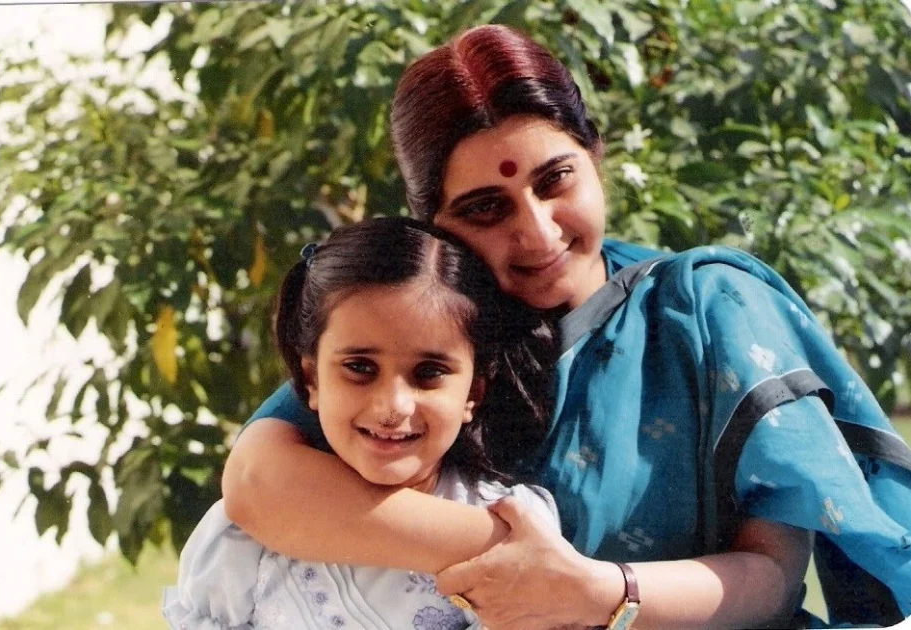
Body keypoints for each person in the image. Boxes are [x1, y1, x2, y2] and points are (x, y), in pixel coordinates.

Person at [221, 25, 911, 630]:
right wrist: (508, 547)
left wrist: (594, 590)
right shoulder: (425, 330)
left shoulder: (708, 308)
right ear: (434, 224)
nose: (536, 232)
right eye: (485, 209)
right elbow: (258, 485)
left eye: (555, 181)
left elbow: (771, 579)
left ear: (596, 155)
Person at [163, 216, 563, 629]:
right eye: (359, 367)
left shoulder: (514, 523)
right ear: (311, 380)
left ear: (473, 393)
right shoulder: (244, 534)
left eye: (429, 372)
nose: (393, 405)